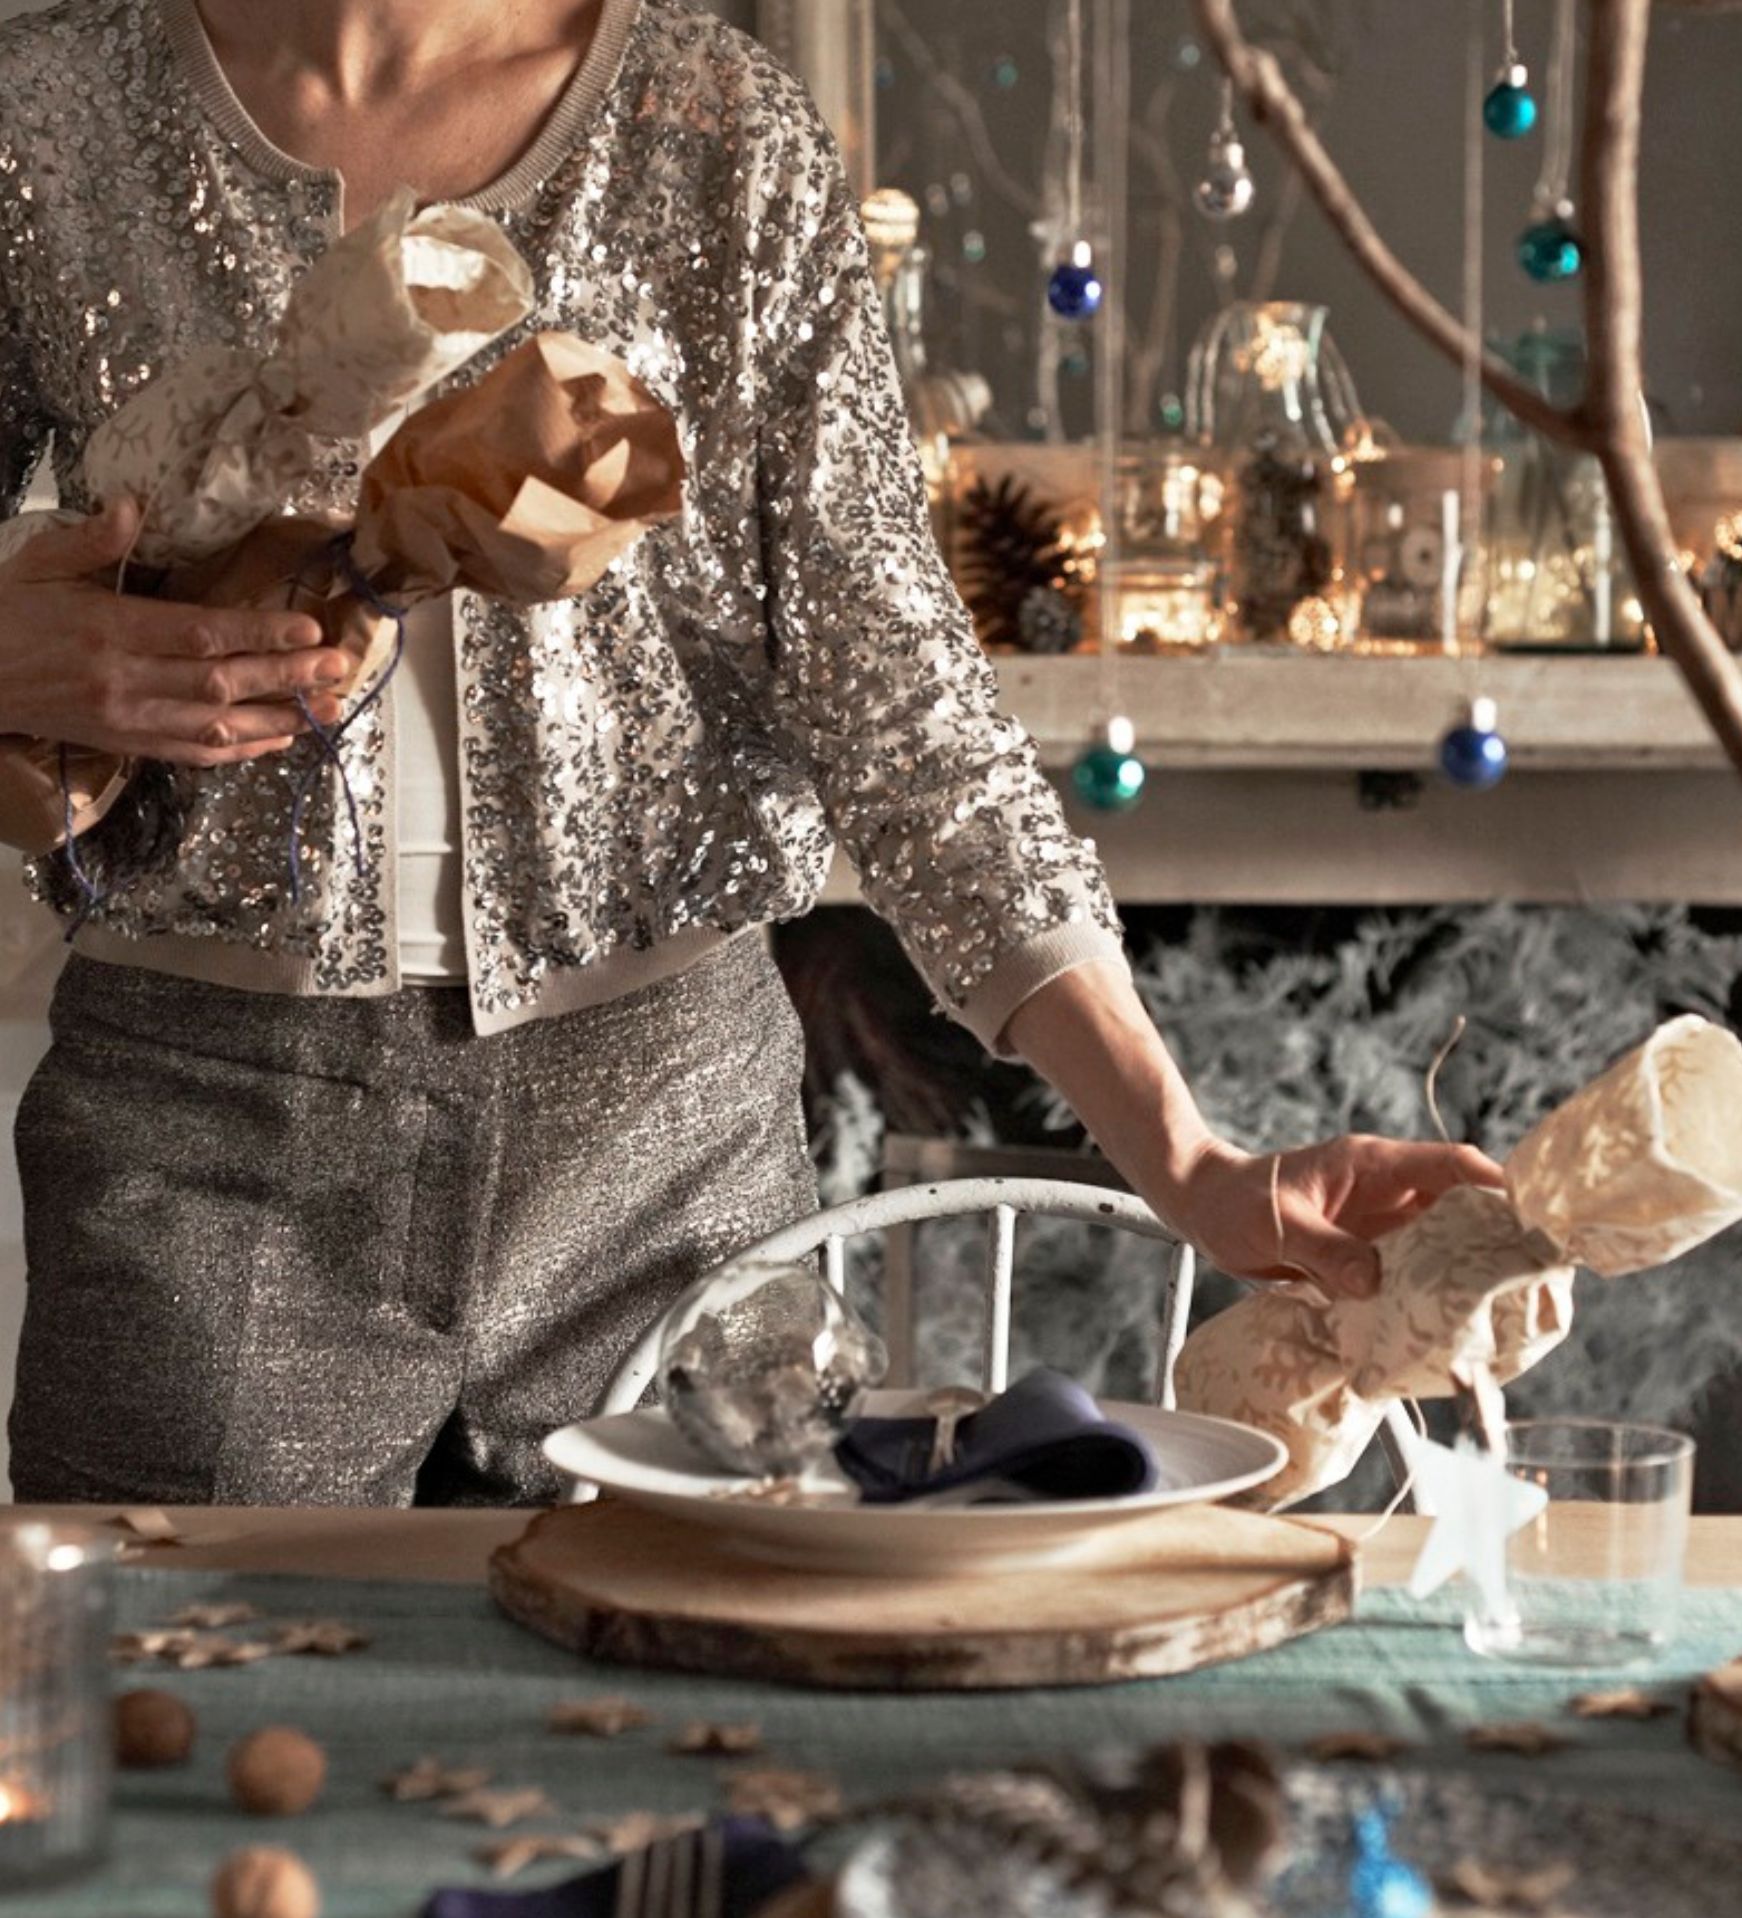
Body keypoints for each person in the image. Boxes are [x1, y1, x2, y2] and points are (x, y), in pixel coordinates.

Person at [0, 0, 1499, 1507]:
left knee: (704, 1658)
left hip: (667, 1157)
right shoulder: (44, 111)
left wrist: (1188, 1157)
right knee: (154, 1656)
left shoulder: (714, 122)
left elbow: (899, 690)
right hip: (202, 1139)